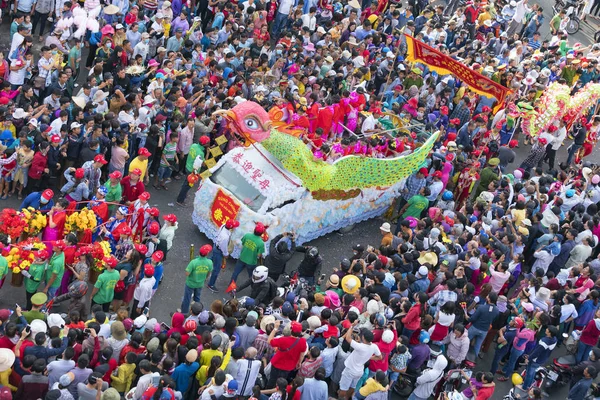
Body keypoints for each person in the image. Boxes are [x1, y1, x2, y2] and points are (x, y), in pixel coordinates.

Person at [181, 244, 213, 314]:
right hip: (200, 283)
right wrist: (204, 278)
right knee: (197, 297)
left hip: (190, 283)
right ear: (207, 253)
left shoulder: (194, 262)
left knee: (187, 298)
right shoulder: (209, 262)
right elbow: (209, 273)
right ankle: (197, 310)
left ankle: (184, 312)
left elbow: (187, 273)